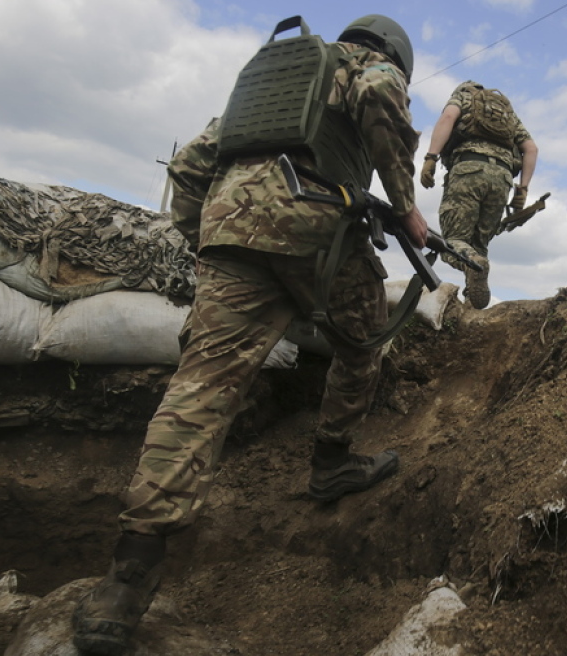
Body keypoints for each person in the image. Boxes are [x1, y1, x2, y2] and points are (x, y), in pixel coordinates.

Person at [70, 15, 427, 655]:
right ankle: (331, 462)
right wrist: (404, 206)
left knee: (199, 392)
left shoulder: (269, 84)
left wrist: (209, 245)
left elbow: (186, 168)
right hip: (316, 224)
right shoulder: (369, 68)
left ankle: (126, 580)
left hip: (228, 232)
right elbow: (378, 94)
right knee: (366, 337)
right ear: (397, 56)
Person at [420, 81, 538, 309]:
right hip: (503, 179)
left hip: (469, 169)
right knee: (479, 246)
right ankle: (472, 306)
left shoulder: (463, 96)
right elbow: (531, 148)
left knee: (454, 241)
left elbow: (447, 119)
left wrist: (431, 158)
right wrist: (522, 190)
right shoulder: (507, 114)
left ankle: (473, 265)